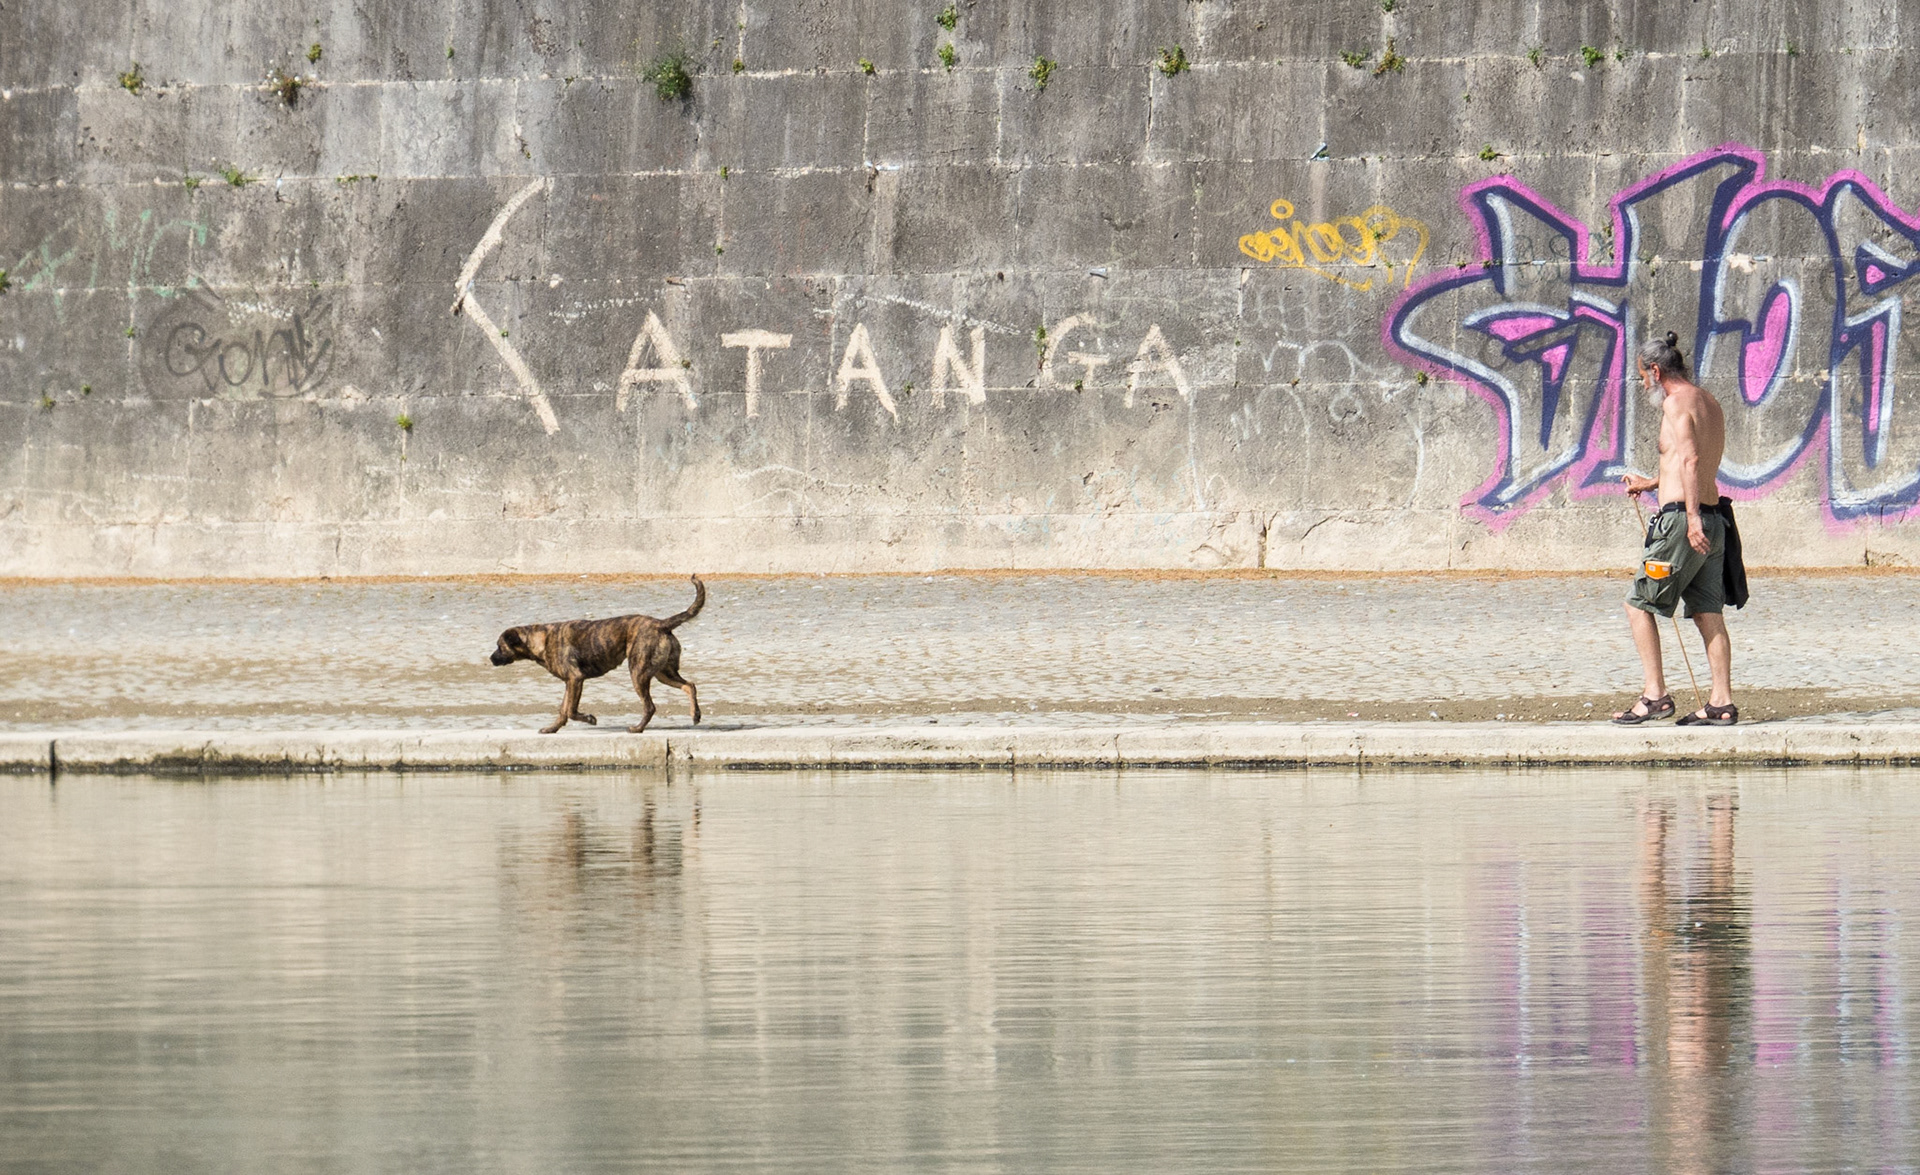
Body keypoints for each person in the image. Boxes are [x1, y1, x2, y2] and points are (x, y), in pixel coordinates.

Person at [1613, 331, 1741, 726]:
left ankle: (1655, 696)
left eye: (1643, 377)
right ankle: (1721, 703)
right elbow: (1694, 464)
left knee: (1638, 605)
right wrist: (1650, 483)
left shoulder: (1673, 404)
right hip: (1715, 519)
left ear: (1655, 370)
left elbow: (1689, 461)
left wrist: (1688, 520)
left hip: (1682, 524)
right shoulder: (1709, 402)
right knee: (1707, 612)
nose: (1643, 384)